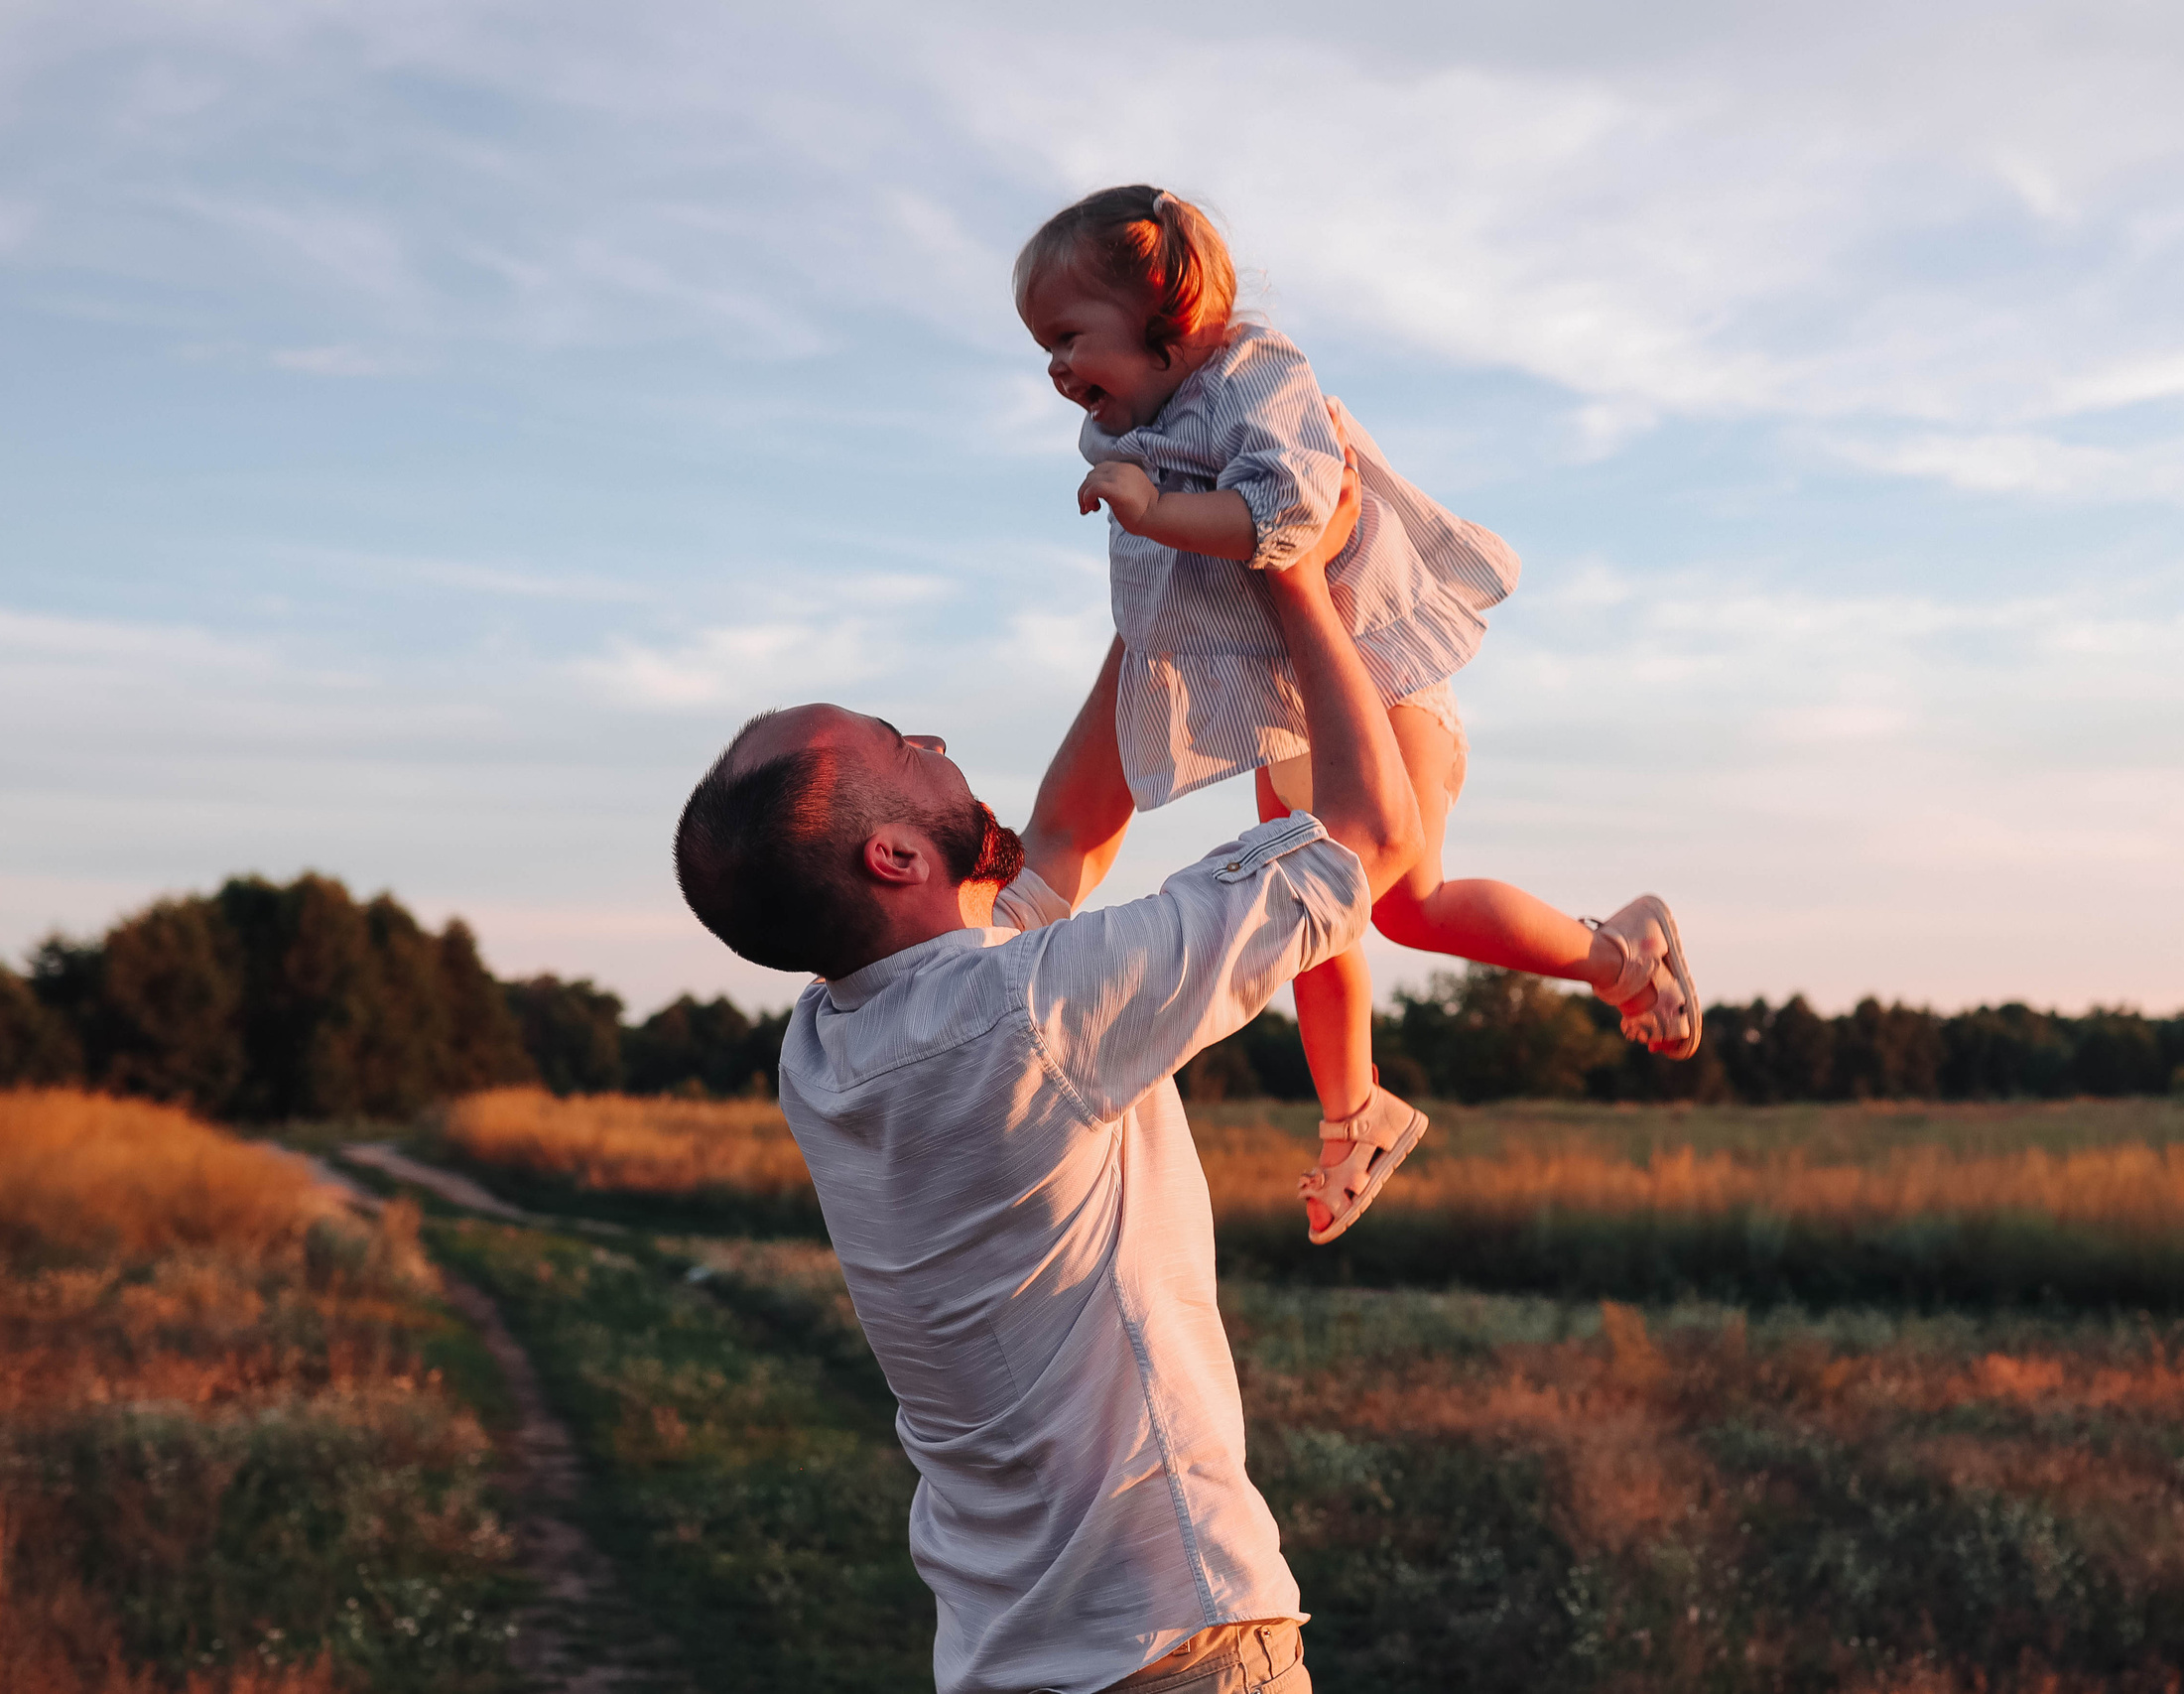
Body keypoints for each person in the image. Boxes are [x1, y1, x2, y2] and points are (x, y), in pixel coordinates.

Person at [671, 461, 1414, 1693]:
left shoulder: (830, 1048)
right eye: (899, 745)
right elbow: (1368, 839)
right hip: (1173, 1647)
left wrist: (1167, 586)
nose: (937, 741)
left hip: (1016, 1656)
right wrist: (1284, 564)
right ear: (896, 852)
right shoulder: (1023, 1014)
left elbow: (1067, 829)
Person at [1012, 184, 1700, 1243]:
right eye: (1043, 347)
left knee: (1402, 902)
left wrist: (1158, 512)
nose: (1054, 368)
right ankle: (1353, 1115)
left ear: (1170, 314)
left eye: (1067, 336)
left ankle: (1621, 952)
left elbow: (1291, 515)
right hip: (1289, 702)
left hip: (1379, 684)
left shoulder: (1256, 376)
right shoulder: (1144, 428)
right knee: (1310, 902)